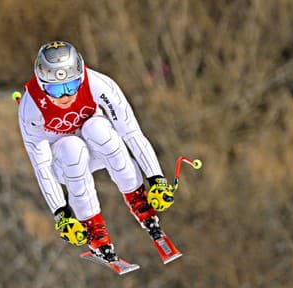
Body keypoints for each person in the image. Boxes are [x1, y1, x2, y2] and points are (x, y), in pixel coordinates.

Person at [18, 40, 175, 262]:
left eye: (71, 86)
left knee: (99, 128)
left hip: (98, 147)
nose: (65, 96)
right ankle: (95, 232)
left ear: (81, 76)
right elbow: (41, 166)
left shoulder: (99, 84)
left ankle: (140, 204)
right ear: (42, 86)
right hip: (66, 165)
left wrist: (156, 178)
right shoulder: (30, 107)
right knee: (72, 147)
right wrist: (62, 214)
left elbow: (131, 133)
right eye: (55, 89)